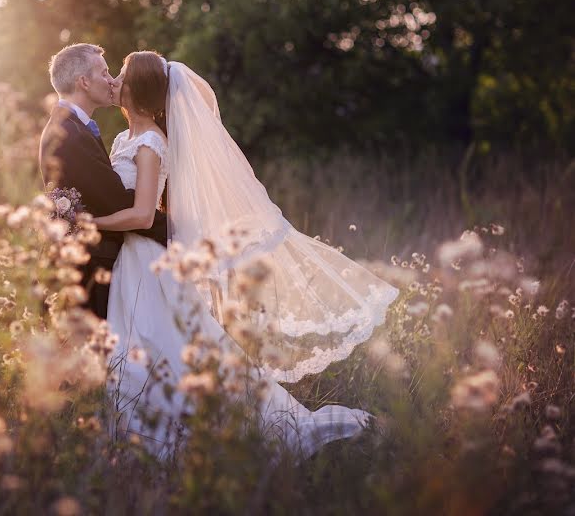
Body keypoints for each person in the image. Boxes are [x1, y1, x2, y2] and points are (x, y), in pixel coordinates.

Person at [93, 51, 400, 461]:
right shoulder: (122, 139)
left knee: (166, 349)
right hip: (128, 261)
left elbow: (144, 213)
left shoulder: (150, 144)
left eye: (122, 77)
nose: (114, 80)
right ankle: (146, 444)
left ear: (140, 93)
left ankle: (191, 439)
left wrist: (89, 221)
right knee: (142, 352)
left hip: (147, 259)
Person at [38, 43, 167, 319]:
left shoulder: (73, 127)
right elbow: (117, 201)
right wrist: (171, 228)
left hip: (109, 262)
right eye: (105, 72)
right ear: (84, 82)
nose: (111, 80)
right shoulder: (69, 134)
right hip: (88, 268)